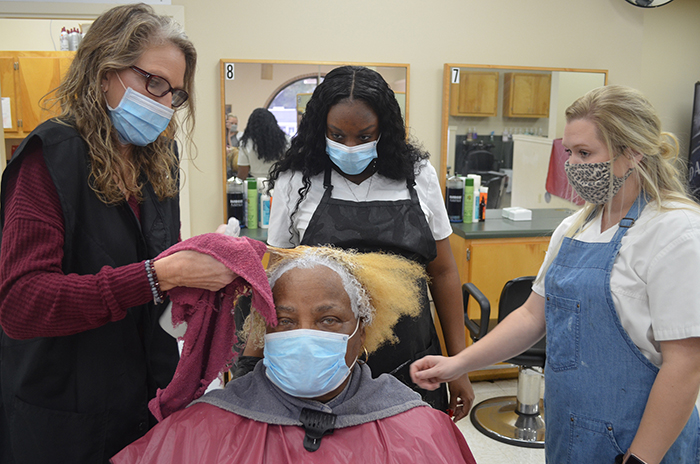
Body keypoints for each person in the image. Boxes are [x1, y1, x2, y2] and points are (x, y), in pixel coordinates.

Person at [411, 85, 700, 464]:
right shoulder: (575, 227)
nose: (573, 165)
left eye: (585, 153)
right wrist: (458, 363)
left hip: (641, 438)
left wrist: (641, 459)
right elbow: (533, 316)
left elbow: (686, 364)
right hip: (571, 427)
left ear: (632, 152)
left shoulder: (675, 231)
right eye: (569, 152)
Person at [0, 4, 238, 463]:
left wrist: (199, 271)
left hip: (143, 401)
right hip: (62, 414)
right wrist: (154, 277)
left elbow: (158, 276)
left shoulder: (158, 164)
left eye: (174, 94)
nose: (164, 105)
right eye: (153, 83)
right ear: (103, 71)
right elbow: (21, 303)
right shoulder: (49, 159)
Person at [111, 246, 477, 464]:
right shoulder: (200, 429)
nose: (304, 334)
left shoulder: (419, 430)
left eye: (328, 319)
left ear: (361, 328)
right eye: (285, 321)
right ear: (264, 328)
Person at [258, 65, 474, 419]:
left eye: (364, 135)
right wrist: (263, 361)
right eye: (337, 135)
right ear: (320, 129)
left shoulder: (417, 176)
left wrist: (458, 364)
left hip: (412, 359)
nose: (350, 146)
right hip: (326, 366)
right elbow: (278, 278)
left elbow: (445, 271)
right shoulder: (298, 179)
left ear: (384, 130)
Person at [237, 107, 289, 179]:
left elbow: (243, 172)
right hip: (280, 180)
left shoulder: (246, 143)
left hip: (257, 184)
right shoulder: (285, 140)